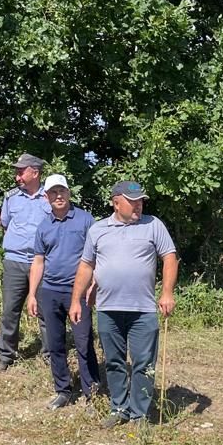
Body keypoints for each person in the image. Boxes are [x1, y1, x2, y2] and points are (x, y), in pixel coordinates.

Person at [69, 181, 177, 427]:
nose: (139, 205)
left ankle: (139, 413)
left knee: (143, 362)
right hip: (108, 308)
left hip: (143, 309)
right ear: (116, 202)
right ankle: (119, 408)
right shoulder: (98, 230)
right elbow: (86, 266)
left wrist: (167, 292)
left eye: (140, 200)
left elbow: (169, 257)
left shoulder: (153, 225)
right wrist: (76, 300)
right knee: (115, 361)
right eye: (133, 201)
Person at [27, 174, 99, 409]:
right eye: (53, 193)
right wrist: (32, 294)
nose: (58, 196)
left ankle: (92, 392)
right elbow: (38, 262)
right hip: (49, 291)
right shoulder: (44, 226)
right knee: (55, 343)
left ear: (69, 193)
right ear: (46, 197)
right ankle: (63, 389)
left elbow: (97, 257)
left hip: (78, 292)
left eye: (62, 192)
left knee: (83, 340)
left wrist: (93, 287)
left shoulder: (86, 220)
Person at [0, 152, 51, 370]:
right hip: (14, 260)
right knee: (10, 310)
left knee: (45, 310)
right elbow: (4, 224)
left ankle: (50, 355)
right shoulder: (11, 197)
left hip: (41, 262)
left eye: (21, 172)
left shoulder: (51, 197)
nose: (17, 176)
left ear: (35, 172)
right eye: (16, 172)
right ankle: (5, 356)